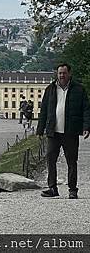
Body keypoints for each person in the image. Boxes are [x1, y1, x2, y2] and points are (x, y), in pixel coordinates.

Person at [37, 63, 90, 199]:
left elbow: (86, 109)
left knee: (71, 161)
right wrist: (40, 129)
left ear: (69, 74)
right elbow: (44, 110)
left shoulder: (79, 89)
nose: (61, 75)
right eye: (59, 73)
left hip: (70, 131)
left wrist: (86, 127)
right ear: (57, 74)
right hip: (53, 132)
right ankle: (52, 188)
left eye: (64, 73)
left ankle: (73, 190)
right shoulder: (50, 89)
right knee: (50, 159)